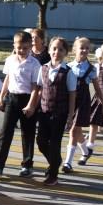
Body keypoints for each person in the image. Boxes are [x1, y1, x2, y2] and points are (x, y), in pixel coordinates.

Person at [0, 31, 41, 178]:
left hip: (27, 100)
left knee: (27, 133)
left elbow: (36, 86)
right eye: (19, 47)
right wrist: (2, 96)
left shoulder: (34, 63)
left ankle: (27, 165)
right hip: (12, 98)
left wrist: (31, 105)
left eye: (25, 47)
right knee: (5, 133)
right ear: (14, 46)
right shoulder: (10, 60)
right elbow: (7, 78)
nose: (22, 51)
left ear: (30, 46)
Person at [35, 37, 77, 186]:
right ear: (49, 49)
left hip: (60, 113)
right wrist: (33, 106)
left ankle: (53, 175)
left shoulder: (68, 72)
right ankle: (56, 161)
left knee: (54, 143)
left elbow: (72, 94)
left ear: (65, 52)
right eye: (54, 48)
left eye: (60, 49)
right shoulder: (43, 68)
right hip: (44, 112)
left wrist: (70, 117)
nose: (56, 52)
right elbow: (39, 89)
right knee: (40, 142)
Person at [62, 37, 103, 172]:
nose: (84, 50)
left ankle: (68, 163)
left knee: (73, 131)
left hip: (83, 101)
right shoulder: (68, 67)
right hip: (70, 101)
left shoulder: (92, 69)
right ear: (74, 50)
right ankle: (86, 151)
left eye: (87, 48)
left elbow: (98, 89)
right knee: (77, 131)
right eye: (81, 48)